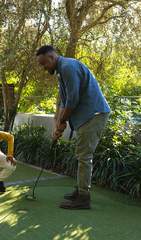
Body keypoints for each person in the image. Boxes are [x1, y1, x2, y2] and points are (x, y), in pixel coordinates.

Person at [36, 45, 110, 209]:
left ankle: (83, 198)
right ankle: (81, 191)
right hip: (88, 115)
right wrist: (58, 125)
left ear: (52, 57)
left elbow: (73, 99)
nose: (43, 67)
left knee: (84, 156)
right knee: (81, 154)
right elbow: (65, 101)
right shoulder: (62, 70)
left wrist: (63, 122)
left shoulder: (68, 67)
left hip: (94, 114)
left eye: (44, 63)